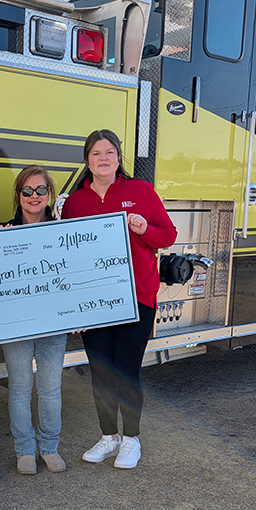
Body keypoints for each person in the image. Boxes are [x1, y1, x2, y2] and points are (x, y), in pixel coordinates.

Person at [61, 129, 178, 470]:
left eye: (109, 152)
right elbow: (67, 255)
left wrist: (143, 229)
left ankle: (131, 440)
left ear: (118, 157)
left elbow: (168, 235)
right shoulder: (75, 203)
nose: (103, 158)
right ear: (87, 160)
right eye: (96, 153)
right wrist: (73, 308)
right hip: (94, 303)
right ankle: (109, 437)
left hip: (136, 298)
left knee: (126, 370)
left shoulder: (140, 191)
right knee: (100, 372)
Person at [0, 165, 69, 476]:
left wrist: (79, 312)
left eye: (41, 189)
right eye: (27, 190)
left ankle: (50, 447)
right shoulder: (2, 234)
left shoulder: (63, 234)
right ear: (18, 195)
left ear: (49, 194)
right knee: (20, 387)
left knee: (51, 388)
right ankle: (25, 449)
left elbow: (74, 278)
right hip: (16, 323)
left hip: (53, 323)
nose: (34, 196)